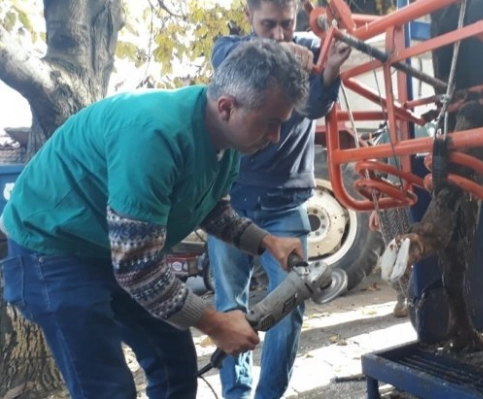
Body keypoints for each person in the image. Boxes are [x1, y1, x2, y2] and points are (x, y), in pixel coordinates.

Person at [0, 38, 310, 399]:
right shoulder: (154, 135)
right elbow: (138, 270)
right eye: (271, 124)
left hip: (108, 245)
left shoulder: (225, 141)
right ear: (227, 106)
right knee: (106, 389)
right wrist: (216, 323)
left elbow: (209, 209)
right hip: (51, 247)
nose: (275, 137)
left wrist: (266, 241)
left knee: (173, 364)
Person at [206, 1, 352, 398]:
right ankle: (236, 394)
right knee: (229, 306)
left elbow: (313, 105)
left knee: (289, 308)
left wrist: (331, 67)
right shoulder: (230, 48)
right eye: (267, 25)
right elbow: (226, 60)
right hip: (231, 204)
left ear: (297, 17)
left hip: (286, 204)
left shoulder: (309, 47)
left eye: (286, 25)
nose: (279, 34)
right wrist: (282, 54)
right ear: (249, 16)